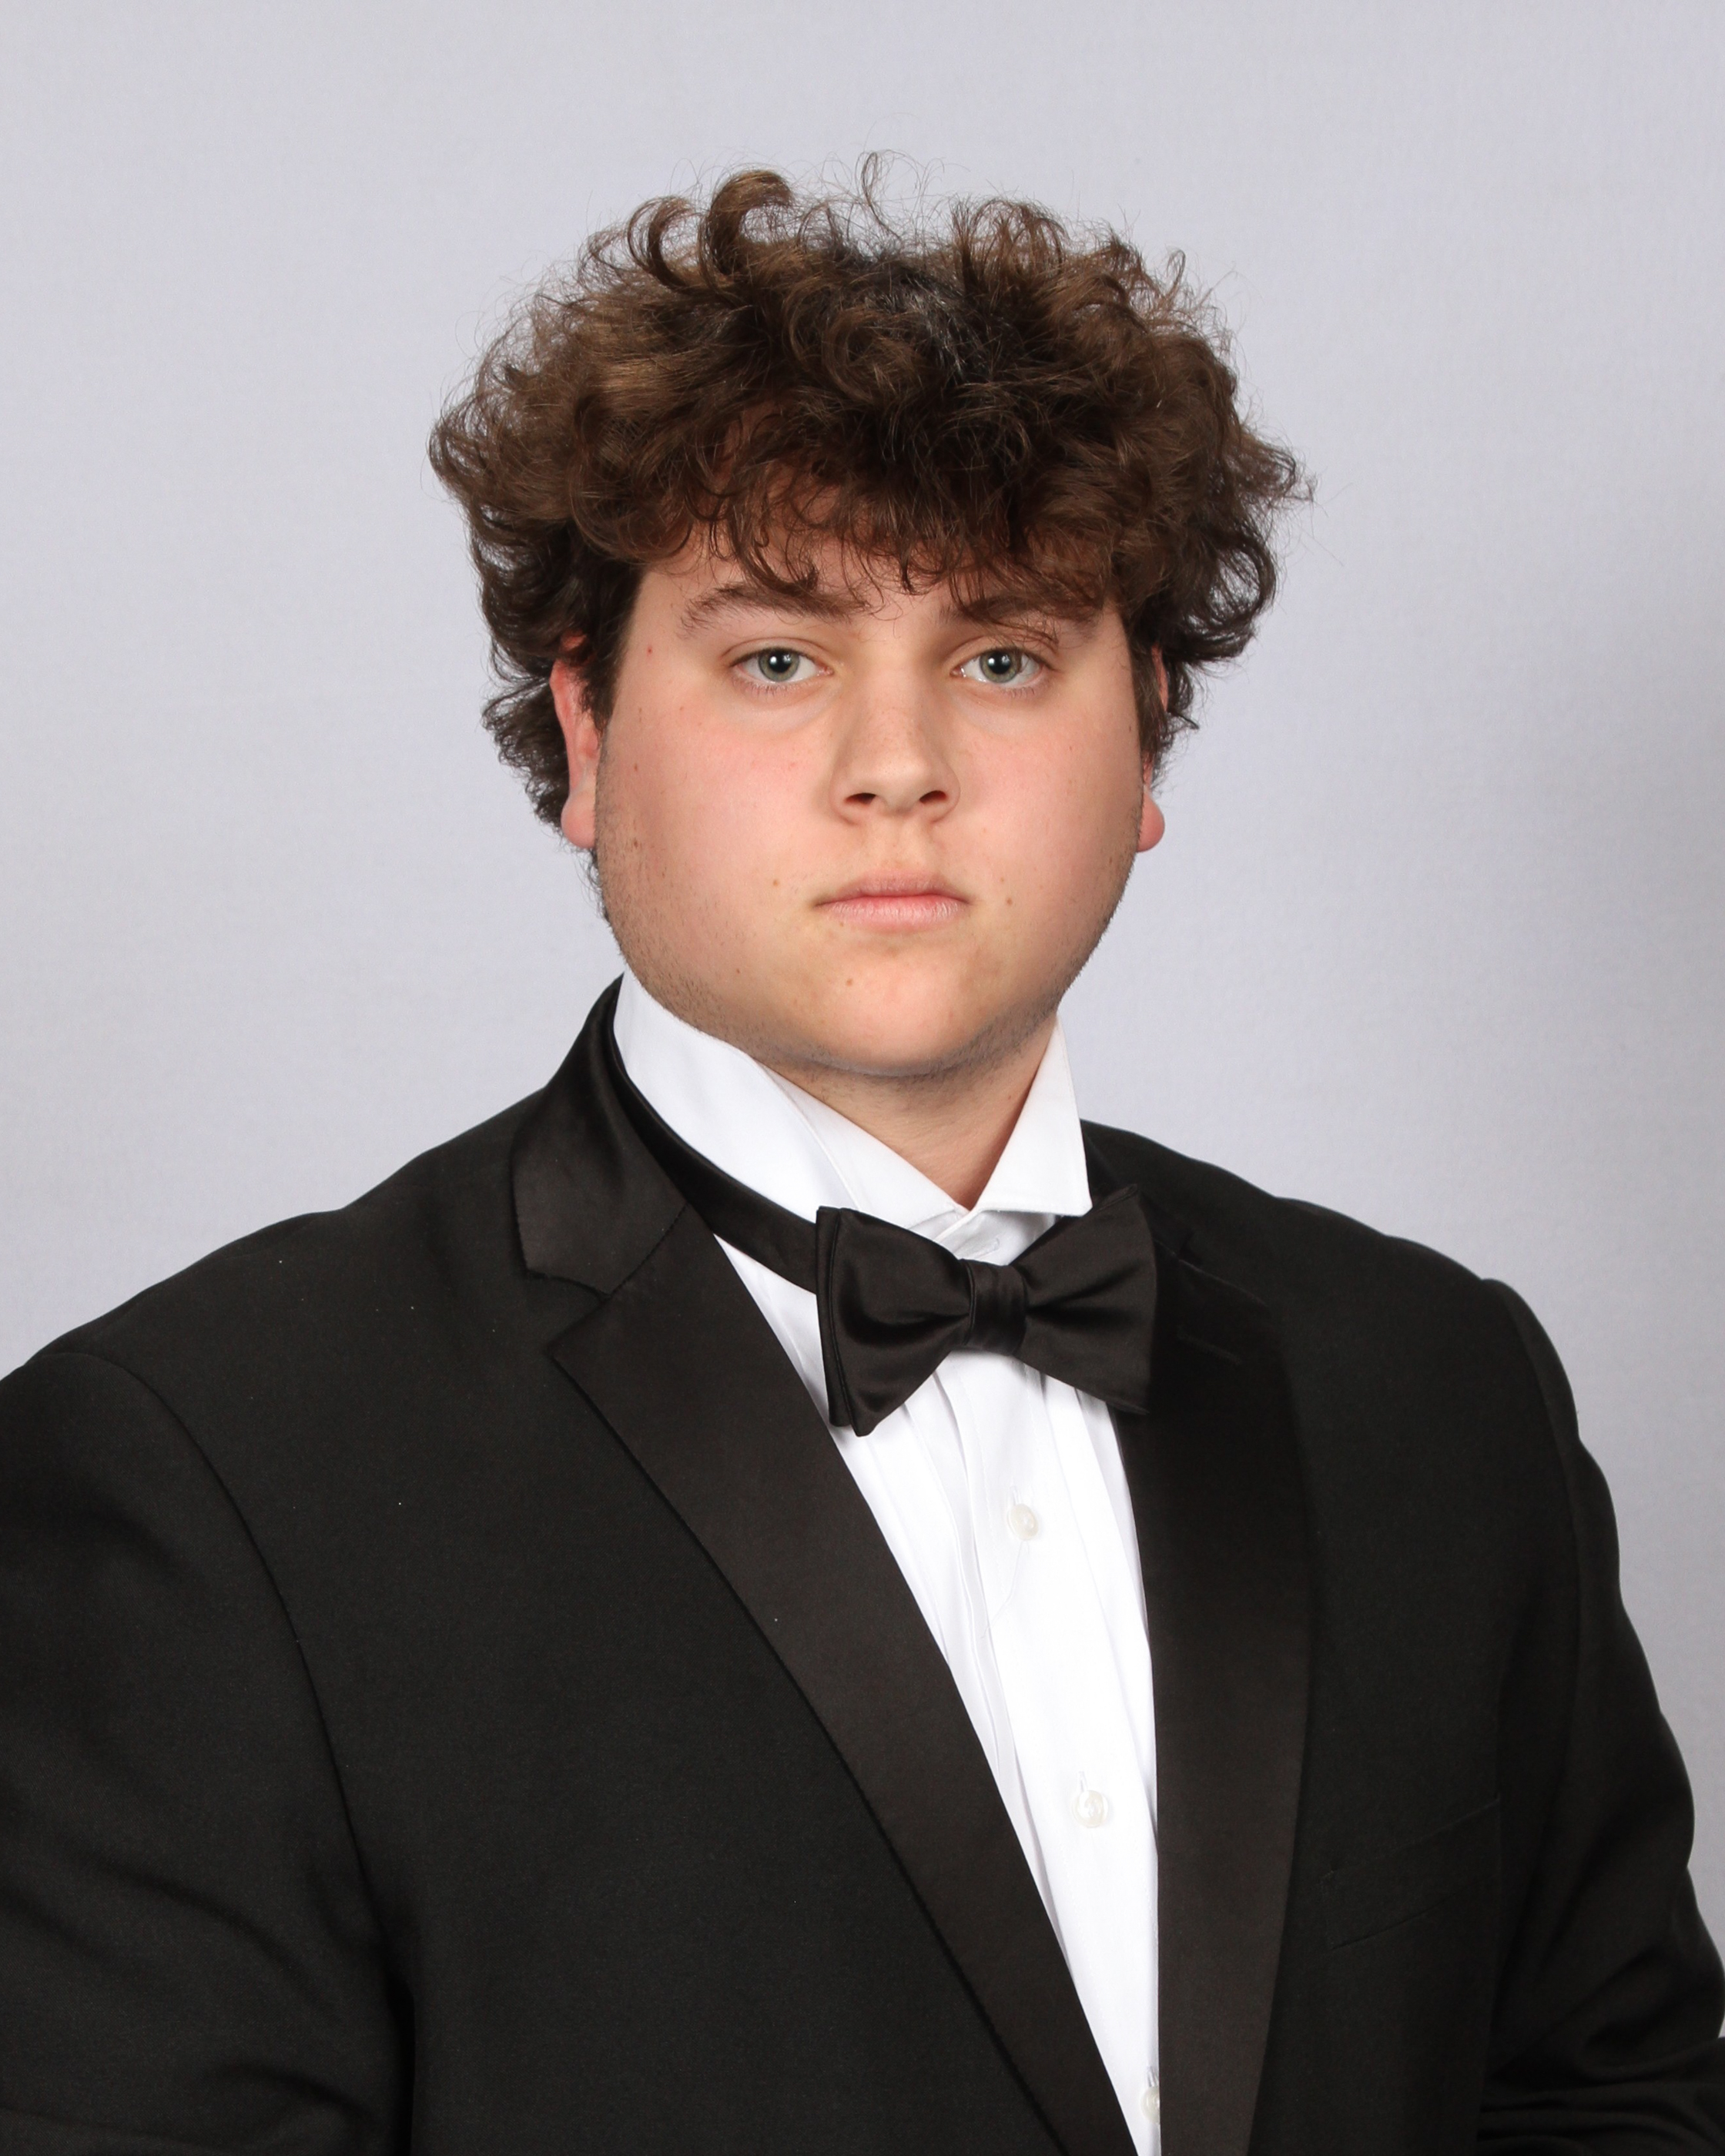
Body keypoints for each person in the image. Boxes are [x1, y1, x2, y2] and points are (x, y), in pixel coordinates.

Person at [1, 167, 1720, 2156]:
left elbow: (1617, 2100)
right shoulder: (196, 1471)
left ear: (1149, 737)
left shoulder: (1437, 1384)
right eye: (778, 660)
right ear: (585, 734)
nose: (896, 766)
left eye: (1002, 659)